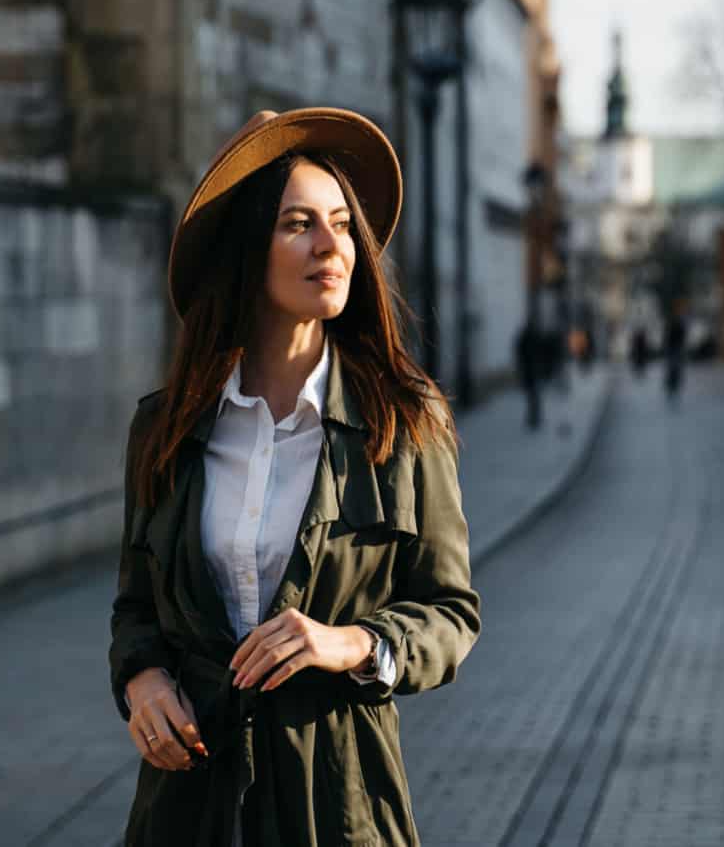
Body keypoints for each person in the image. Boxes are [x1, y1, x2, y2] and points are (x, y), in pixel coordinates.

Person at [110, 108, 481, 846]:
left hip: (338, 803)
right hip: (191, 806)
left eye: (342, 225)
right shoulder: (167, 429)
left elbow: (451, 614)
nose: (330, 247)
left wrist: (351, 643)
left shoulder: (406, 420)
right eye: (298, 225)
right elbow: (135, 611)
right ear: (248, 250)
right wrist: (142, 683)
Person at [515, 321, 543, 429]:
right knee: (534, 395)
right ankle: (534, 417)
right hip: (532, 371)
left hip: (529, 371)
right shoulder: (533, 338)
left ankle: (533, 417)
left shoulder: (525, 338)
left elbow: (519, 353)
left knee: (532, 395)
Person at [663, 299, 688, 401]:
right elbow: (669, 334)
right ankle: (672, 385)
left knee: (676, 367)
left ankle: (674, 384)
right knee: (673, 367)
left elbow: (681, 335)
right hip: (674, 347)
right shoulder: (674, 320)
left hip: (677, 348)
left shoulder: (680, 320)